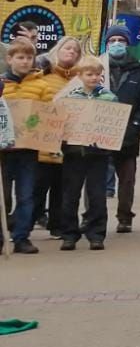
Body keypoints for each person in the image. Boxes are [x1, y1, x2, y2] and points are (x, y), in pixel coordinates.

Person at [55, 54, 119, 250]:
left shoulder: (109, 97)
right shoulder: (70, 98)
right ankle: (69, 234)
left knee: (97, 196)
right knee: (70, 195)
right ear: (80, 75)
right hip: (74, 153)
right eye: (88, 74)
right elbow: (61, 123)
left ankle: (96, 234)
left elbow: (114, 123)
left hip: (98, 155)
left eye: (96, 74)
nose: (93, 78)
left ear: (101, 76)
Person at [29, 37, 83, 235]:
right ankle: (26, 224)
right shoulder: (42, 75)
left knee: (62, 186)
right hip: (44, 140)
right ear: (57, 50)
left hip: (69, 140)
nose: (71, 52)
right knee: (39, 186)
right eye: (67, 48)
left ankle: (57, 223)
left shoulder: (80, 79)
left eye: (76, 51)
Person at [104, 24, 140, 234]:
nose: (116, 45)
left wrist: (137, 123)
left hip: (129, 132)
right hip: (100, 131)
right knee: (98, 180)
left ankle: (125, 217)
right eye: (112, 41)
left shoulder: (139, 68)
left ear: (127, 44)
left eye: (121, 41)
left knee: (127, 178)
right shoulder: (97, 67)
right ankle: (94, 219)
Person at [1, 38, 44, 253]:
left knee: (26, 195)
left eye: (29, 58)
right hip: (4, 151)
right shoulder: (2, 84)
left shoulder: (40, 85)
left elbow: (48, 114)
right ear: (10, 59)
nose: (25, 62)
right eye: (20, 57)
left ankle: (21, 237)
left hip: (28, 150)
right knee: (3, 196)